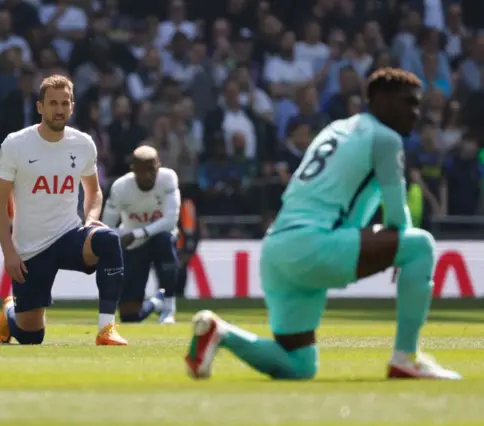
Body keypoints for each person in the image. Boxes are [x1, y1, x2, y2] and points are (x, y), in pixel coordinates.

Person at [184, 68, 461, 381]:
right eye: (408, 103)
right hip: (316, 245)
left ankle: (219, 332)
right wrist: (402, 251)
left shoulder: (336, 128)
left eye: (417, 104)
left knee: (299, 365)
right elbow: (398, 217)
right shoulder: (386, 138)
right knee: (420, 245)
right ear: (381, 102)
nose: (415, 112)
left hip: (277, 248)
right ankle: (406, 358)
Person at [0, 74, 128, 346]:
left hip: (68, 235)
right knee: (32, 337)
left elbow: (94, 191)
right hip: (31, 248)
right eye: (53, 103)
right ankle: (9, 313)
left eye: (65, 103)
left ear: (72, 107)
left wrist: (90, 221)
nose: (59, 109)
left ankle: (106, 329)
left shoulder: (83, 143)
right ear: (40, 107)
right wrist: (9, 252)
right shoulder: (15, 144)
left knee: (108, 240)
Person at [102, 145, 181, 324]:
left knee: (165, 240)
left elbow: (170, 220)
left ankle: (169, 309)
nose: (147, 176)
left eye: (151, 170)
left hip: (158, 238)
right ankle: (156, 303)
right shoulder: (120, 187)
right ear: (133, 170)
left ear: (158, 166)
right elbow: (107, 226)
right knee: (129, 317)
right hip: (133, 245)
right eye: (142, 171)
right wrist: (119, 238)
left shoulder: (168, 178)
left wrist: (138, 233)